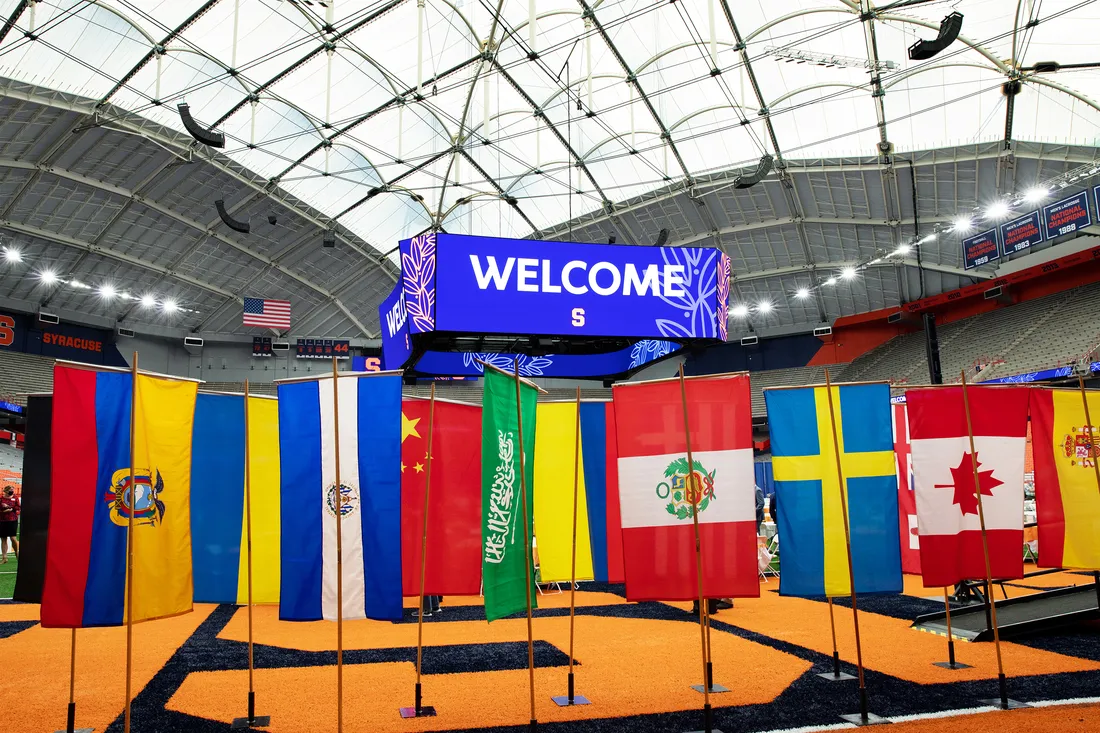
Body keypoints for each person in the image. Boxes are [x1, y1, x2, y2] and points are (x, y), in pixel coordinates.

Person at [0, 486, 19, 563]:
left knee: (13, 538)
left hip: (12, 519)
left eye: (13, 490)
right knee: (3, 539)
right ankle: (4, 557)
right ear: (6, 491)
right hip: (2, 520)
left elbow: (18, 507)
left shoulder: (15, 498)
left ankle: (16, 552)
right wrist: (3, 510)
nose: (12, 491)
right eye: (10, 490)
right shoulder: (1, 498)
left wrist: (11, 509)